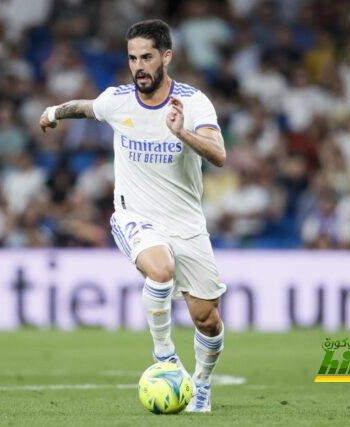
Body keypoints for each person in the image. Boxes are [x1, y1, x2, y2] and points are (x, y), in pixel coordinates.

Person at [39, 19, 226, 412]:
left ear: (166, 56)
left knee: (207, 321)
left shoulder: (193, 103)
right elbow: (86, 108)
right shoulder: (118, 100)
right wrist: (54, 111)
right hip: (134, 216)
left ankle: (202, 386)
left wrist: (181, 133)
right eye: (132, 58)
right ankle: (165, 357)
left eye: (147, 57)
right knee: (160, 270)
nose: (138, 66)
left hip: (187, 224)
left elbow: (219, 155)